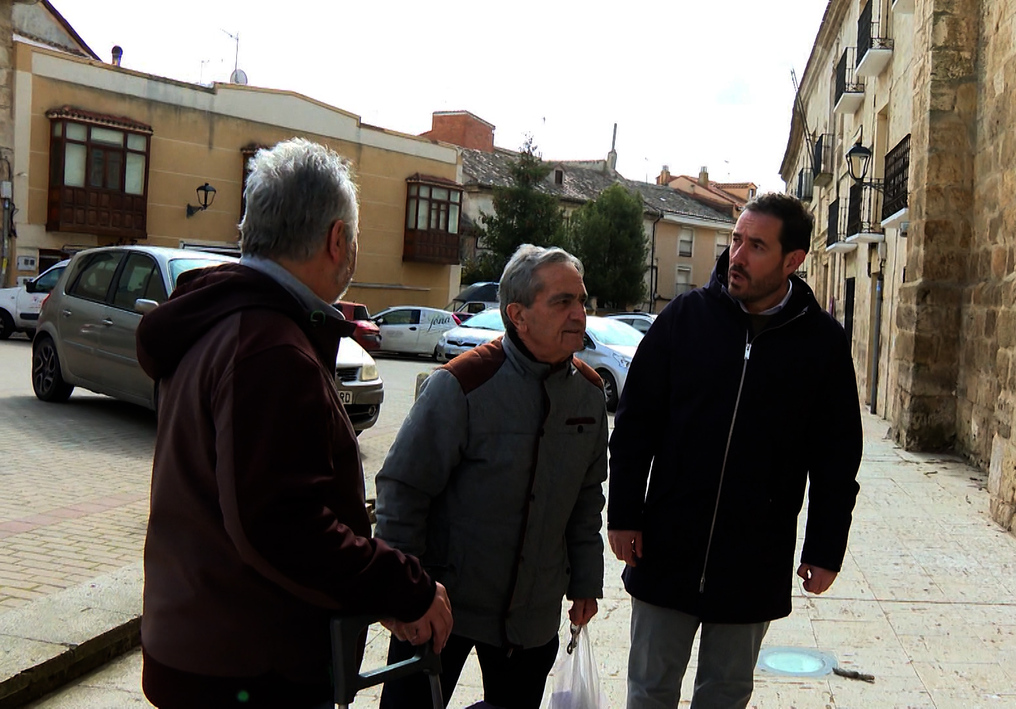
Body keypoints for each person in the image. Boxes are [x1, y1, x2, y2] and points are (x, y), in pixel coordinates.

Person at [136, 138, 451, 709]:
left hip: (206, 652)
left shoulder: (232, 322)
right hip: (247, 672)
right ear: (337, 240)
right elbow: (280, 526)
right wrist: (403, 586)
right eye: (353, 237)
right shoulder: (266, 345)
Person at [607, 192, 863, 708]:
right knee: (649, 692)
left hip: (754, 560)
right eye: (736, 240)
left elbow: (836, 457)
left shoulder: (823, 345)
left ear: (793, 261)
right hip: (666, 548)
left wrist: (824, 547)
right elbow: (636, 423)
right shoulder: (684, 318)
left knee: (724, 696)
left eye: (756, 246)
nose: (737, 256)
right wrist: (625, 513)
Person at [374, 244, 608, 709]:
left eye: (582, 300)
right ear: (517, 315)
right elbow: (403, 490)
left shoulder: (589, 393)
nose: (579, 314)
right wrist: (402, 592)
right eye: (562, 302)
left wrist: (585, 580)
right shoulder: (461, 385)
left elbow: (586, 497)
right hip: (442, 608)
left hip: (532, 617)